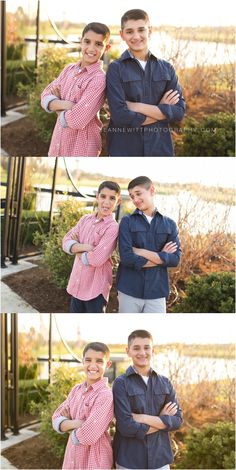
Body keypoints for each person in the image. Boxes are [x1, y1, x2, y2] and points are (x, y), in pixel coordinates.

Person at [106, 9, 185, 156]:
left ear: (150, 31)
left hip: (160, 148)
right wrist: (161, 110)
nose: (136, 36)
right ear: (122, 34)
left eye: (141, 30)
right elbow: (120, 116)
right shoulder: (115, 69)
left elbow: (179, 112)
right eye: (129, 31)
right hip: (124, 149)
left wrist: (136, 106)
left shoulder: (167, 68)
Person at [113, 329, 183, 469]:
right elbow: (126, 426)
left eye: (146, 347)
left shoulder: (165, 382)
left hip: (160, 459)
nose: (142, 353)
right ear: (128, 351)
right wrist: (161, 420)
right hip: (130, 460)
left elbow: (177, 421)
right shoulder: (121, 383)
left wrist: (142, 418)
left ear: (153, 350)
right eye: (136, 348)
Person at [41, 22, 111, 156]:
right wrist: (67, 105)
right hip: (58, 143)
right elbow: (45, 95)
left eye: (98, 44)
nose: (91, 48)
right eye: (87, 41)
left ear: (106, 48)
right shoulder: (69, 69)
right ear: (81, 42)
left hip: (81, 149)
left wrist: (56, 106)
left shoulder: (98, 79)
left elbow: (76, 121)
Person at [117, 176, 181, 313]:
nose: (135, 200)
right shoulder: (126, 222)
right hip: (129, 290)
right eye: (132, 196)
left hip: (156, 293)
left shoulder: (169, 224)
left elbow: (175, 260)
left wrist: (140, 251)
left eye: (138, 194)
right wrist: (162, 257)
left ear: (151, 190)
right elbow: (127, 258)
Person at [52, 342, 114, 470]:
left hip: (95, 461)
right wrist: (79, 423)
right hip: (72, 459)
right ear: (82, 362)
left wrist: (67, 424)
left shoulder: (105, 395)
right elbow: (56, 418)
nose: (92, 365)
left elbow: (88, 436)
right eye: (88, 360)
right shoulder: (76, 390)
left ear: (108, 364)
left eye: (99, 361)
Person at [62, 181, 121, 313]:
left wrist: (76, 250)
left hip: (96, 290)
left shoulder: (113, 227)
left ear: (118, 201)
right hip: (77, 285)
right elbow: (65, 241)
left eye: (112, 198)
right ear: (97, 197)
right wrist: (86, 247)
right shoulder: (84, 220)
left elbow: (96, 259)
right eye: (103, 196)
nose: (106, 202)